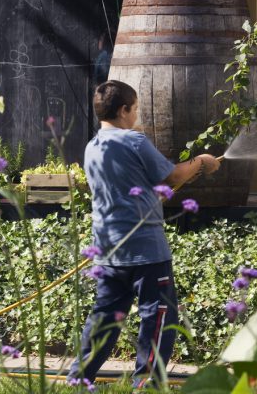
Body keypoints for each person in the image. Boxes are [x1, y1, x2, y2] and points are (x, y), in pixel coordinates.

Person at [68, 79, 221, 390]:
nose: (136, 115)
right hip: (146, 251)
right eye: (135, 109)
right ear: (124, 110)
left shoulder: (92, 147)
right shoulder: (134, 142)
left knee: (105, 316)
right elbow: (174, 174)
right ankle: (146, 383)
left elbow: (137, 187)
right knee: (157, 317)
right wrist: (202, 162)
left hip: (109, 248)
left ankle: (79, 376)